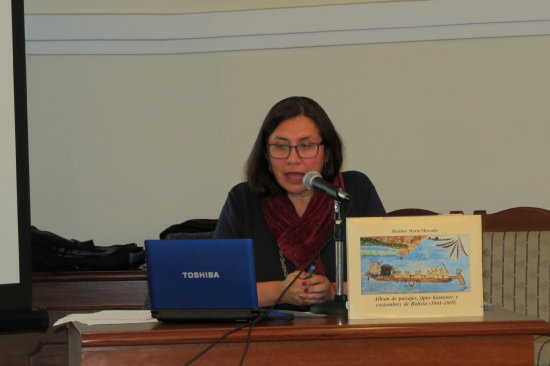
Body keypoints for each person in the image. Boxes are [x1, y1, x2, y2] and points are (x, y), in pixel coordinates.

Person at [213, 96, 385, 310]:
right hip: (265, 339)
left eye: (306, 146)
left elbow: (388, 279)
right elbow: (219, 289)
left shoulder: (353, 192)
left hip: (346, 336)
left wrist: (334, 290)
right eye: (280, 146)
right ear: (266, 154)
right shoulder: (243, 201)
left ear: (327, 152)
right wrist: (280, 292)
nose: (292, 159)